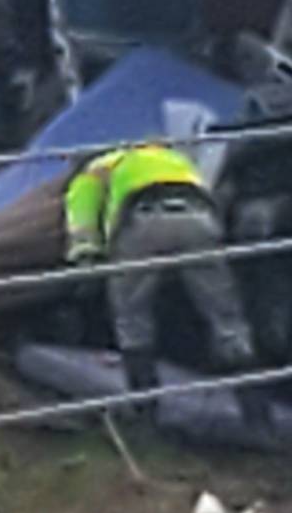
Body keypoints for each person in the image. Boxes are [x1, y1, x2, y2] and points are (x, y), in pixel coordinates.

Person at [64, 140, 268, 433]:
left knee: (132, 318)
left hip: (144, 222)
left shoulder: (93, 172)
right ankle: (257, 414)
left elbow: (82, 220)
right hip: (199, 219)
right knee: (226, 317)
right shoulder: (174, 159)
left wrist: (86, 256)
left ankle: (145, 414)